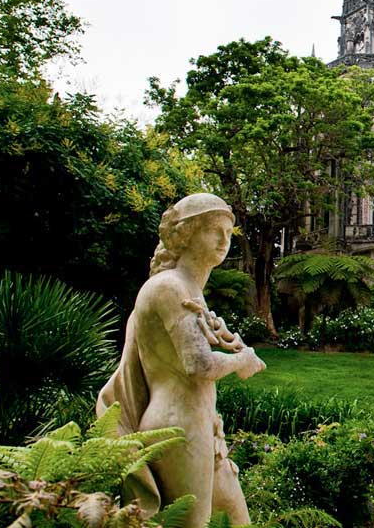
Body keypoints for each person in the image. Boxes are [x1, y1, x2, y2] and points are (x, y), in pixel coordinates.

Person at [96, 193, 266, 528]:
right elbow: (199, 365)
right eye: (213, 230)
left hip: (202, 424)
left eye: (228, 233)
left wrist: (230, 343)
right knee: (192, 523)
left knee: (235, 516)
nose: (223, 240)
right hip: (179, 426)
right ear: (185, 234)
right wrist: (241, 361)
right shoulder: (170, 288)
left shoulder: (190, 290)